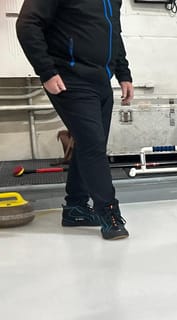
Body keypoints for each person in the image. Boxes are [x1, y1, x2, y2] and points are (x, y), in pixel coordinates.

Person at [17, 0, 134, 240]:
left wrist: (123, 73)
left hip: (101, 80)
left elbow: (114, 33)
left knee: (91, 144)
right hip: (70, 79)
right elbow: (27, 24)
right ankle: (109, 213)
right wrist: (46, 71)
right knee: (93, 146)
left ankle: (75, 208)